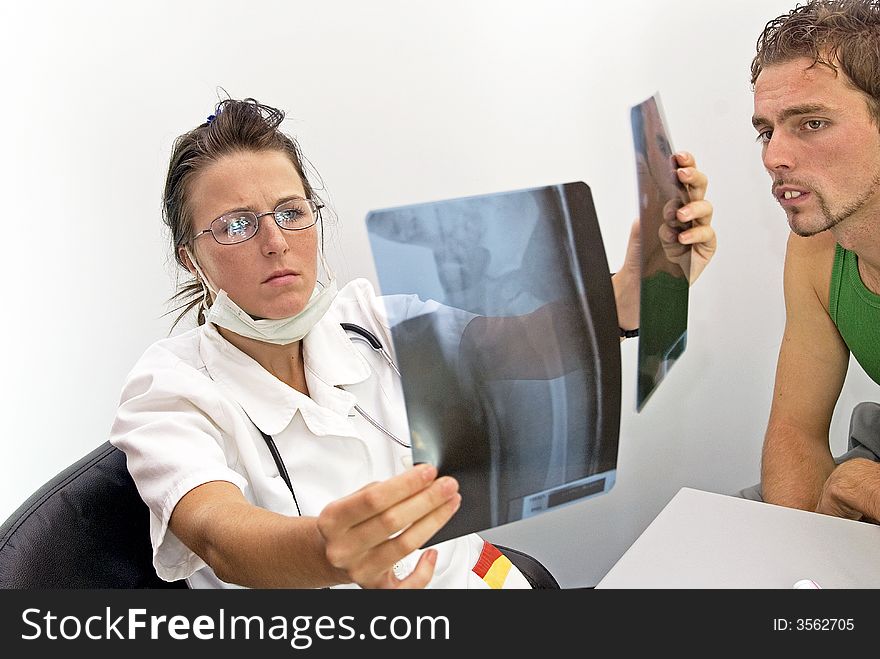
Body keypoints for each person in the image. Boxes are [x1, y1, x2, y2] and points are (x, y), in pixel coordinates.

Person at [109, 97, 715, 589]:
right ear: (191, 257)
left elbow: (514, 345)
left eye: (291, 212)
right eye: (237, 225)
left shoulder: (367, 319)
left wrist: (635, 289)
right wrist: (331, 551)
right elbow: (221, 534)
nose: (276, 241)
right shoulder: (169, 388)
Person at [746, 0, 880, 523]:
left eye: (813, 123)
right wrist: (803, 564)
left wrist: (858, 487)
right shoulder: (817, 247)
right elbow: (796, 431)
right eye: (767, 130)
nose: (774, 157)